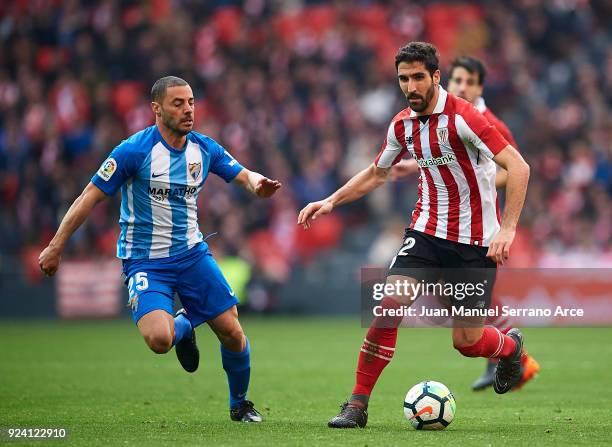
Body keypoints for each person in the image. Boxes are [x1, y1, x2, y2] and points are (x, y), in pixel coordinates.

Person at [298, 42, 530, 428]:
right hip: (424, 234)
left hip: (474, 243)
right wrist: (331, 201)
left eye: (418, 77)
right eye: (404, 78)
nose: (411, 86)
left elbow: (519, 168)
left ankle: (511, 347)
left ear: (436, 77)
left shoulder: (464, 117)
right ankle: (357, 404)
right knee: (388, 308)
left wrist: (507, 229)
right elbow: (377, 172)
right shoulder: (401, 124)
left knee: (467, 342)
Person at [39, 76, 282, 423]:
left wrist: (259, 185)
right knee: (158, 340)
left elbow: (243, 174)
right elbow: (89, 197)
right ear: (156, 109)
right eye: (178, 103)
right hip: (145, 261)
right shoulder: (133, 151)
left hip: (192, 254)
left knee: (231, 331)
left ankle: (240, 404)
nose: (188, 110)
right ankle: (183, 328)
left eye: (191, 102)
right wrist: (55, 246)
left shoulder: (204, 148)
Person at [392, 56, 540, 392]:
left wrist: (481, 181)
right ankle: (505, 352)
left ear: (480, 87)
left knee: (470, 297)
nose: (462, 87)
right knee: (447, 293)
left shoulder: (487, 121)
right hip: (447, 225)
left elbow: (512, 168)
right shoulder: (445, 117)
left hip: (481, 226)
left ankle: (516, 356)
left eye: (470, 82)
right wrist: (415, 168)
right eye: (458, 80)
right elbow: (447, 160)